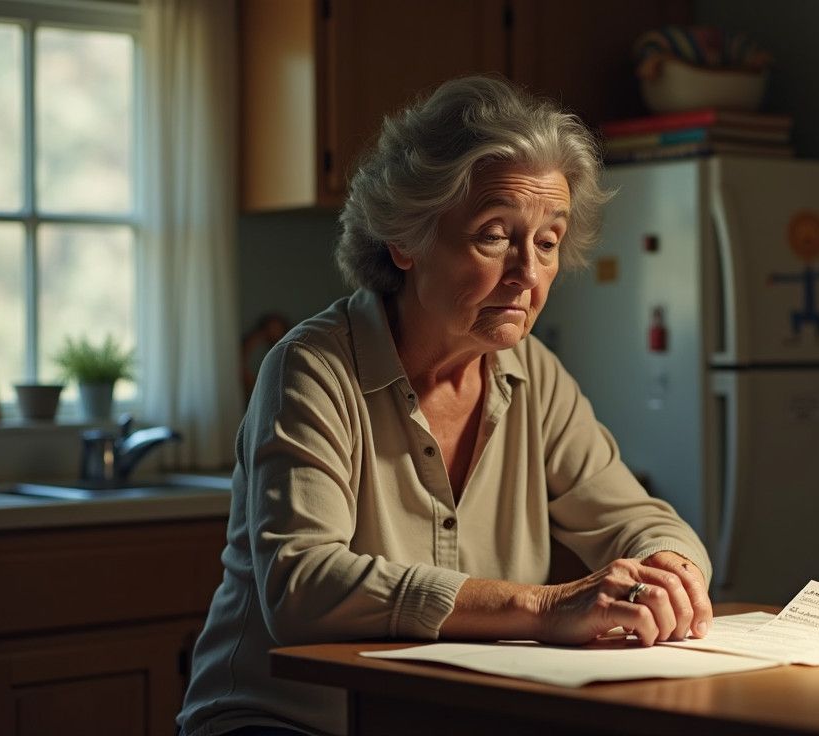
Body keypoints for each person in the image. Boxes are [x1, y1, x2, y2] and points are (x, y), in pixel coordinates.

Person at [178, 75, 712, 736]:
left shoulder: (532, 375)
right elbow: (303, 587)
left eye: (548, 242)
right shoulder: (311, 366)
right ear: (406, 241)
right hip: (286, 721)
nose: (528, 273)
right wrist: (544, 607)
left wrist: (668, 574)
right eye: (495, 235)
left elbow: (637, 518)